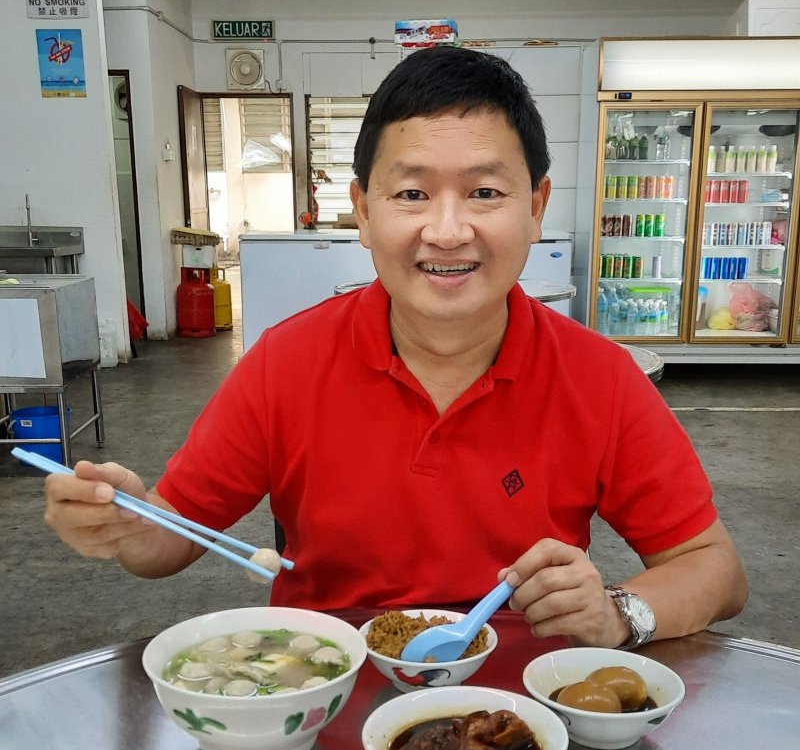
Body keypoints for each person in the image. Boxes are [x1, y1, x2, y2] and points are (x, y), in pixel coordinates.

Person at [43, 46, 747, 649]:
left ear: (534, 208)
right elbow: (174, 536)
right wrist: (129, 526)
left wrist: (618, 614)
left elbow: (714, 569)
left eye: (484, 192)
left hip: (518, 705)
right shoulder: (287, 364)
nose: (446, 230)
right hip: (327, 699)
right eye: (412, 193)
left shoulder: (599, 379)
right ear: (365, 211)